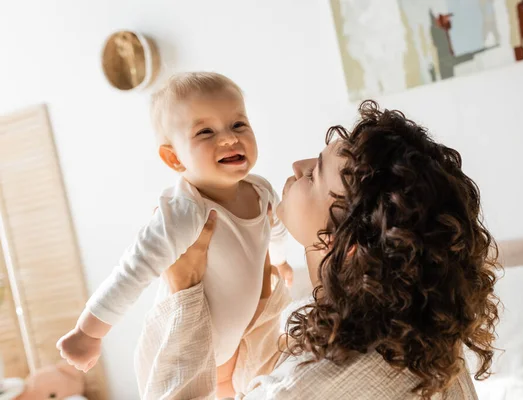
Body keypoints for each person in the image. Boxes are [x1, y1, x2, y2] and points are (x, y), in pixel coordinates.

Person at [136, 100, 500, 399]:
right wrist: (261, 299)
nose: (297, 166)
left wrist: (182, 291)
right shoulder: (431, 355)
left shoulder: (307, 388)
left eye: (314, 174)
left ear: (349, 243)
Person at [56, 72, 294, 397]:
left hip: (237, 339)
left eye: (239, 125)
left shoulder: (261, 188)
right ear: (173, 157)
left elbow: (274, 228)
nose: (229, 139)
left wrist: (281, 262)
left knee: (235, 389)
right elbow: (133, 271)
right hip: (192, 343)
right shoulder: (185, 211)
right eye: (205, 131)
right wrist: (89, 332)